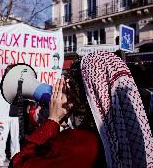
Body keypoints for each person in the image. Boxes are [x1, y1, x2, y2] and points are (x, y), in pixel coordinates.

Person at [10, 51, 153, 168]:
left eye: (71, 84)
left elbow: (19, 164)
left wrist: (52, 121)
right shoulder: (134, 134)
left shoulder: (79, 143)